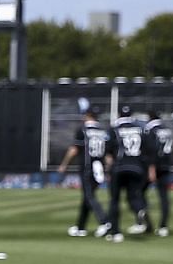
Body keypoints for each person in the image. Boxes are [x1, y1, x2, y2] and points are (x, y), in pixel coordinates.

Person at [58, 102, 115, 238]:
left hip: (87, 167)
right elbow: (108, 155)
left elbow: (74, 149)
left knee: (89, 196)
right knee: (87, 197)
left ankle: (105, 222)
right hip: (99, 168)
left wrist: (64, 164)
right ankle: (81, 227)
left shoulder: (82, 130)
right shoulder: (103, 131)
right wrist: (109, 169)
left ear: (87, 115)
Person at [107, 104, 155, 236]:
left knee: (115, 200)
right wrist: (150, 168)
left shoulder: (115, 129)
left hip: (119, 167)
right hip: (137, 167)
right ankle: (140, 210)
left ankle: (115, 232)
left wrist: (108, 169)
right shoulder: (141, 129)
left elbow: (109, 152)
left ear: (119, 114)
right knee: (134, 196)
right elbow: (149, 151)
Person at [148, 111, 173, 236]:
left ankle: (143, 221)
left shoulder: (151, 130)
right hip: (166, 164)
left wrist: (151, 168)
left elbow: (152, 150)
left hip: (154, 165)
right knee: (164, 197)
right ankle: (163, 226)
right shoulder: (167, 130)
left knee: (137, 193)